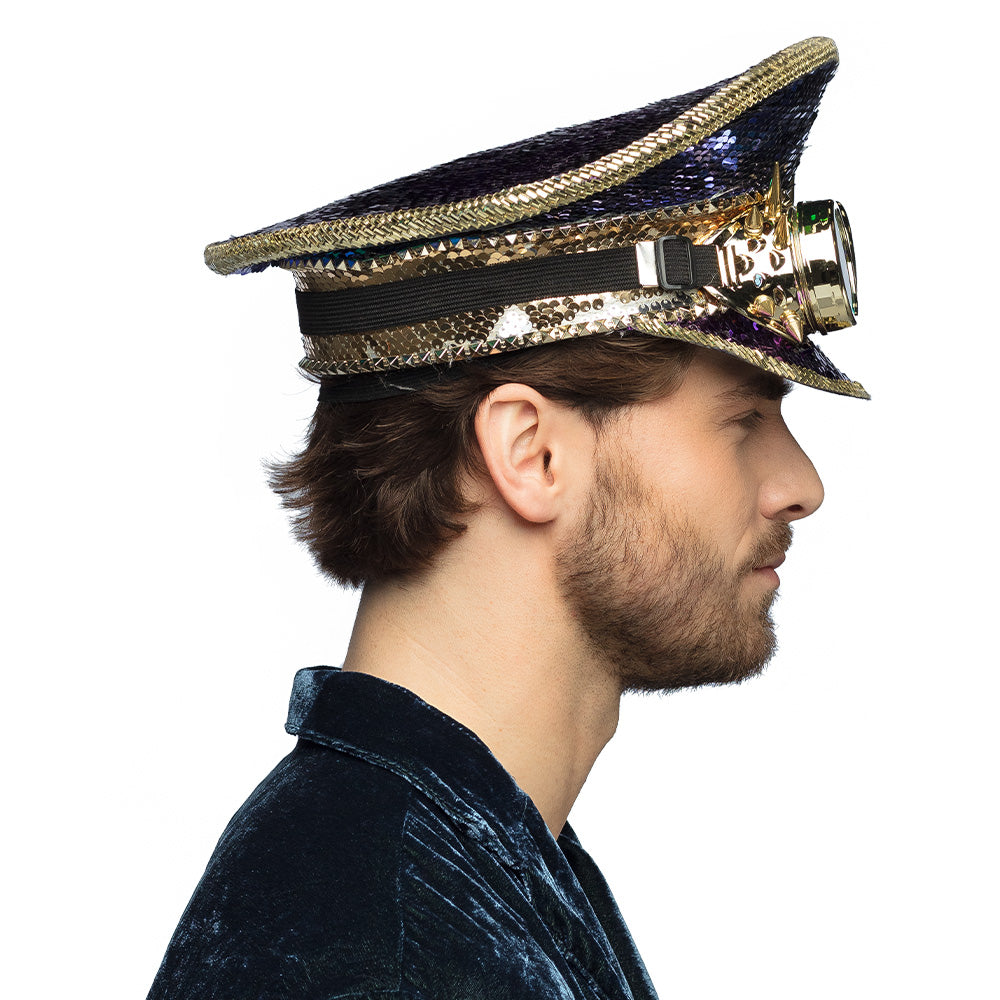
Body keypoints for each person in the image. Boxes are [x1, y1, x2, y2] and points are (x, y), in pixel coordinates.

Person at [147, 36, 867, 1000]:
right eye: (743, 420)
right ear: (531, 453)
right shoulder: (376, 952)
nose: (800, 484)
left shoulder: (472, 866)